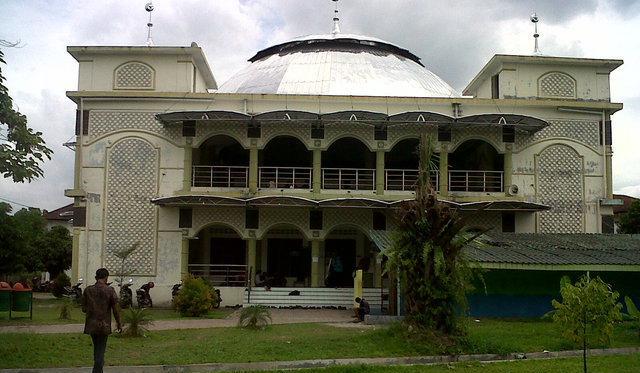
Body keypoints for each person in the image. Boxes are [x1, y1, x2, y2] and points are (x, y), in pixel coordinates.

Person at [82, 268, 122, 373]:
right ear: (106, 277)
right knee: (100, 351)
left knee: (97, 349)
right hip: (104, 325)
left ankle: (99, 370)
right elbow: (115, 310)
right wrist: (119, 323)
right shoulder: (110, 290)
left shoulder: (88, 290)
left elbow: (83, 309)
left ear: (96, 277)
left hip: (91, 324)